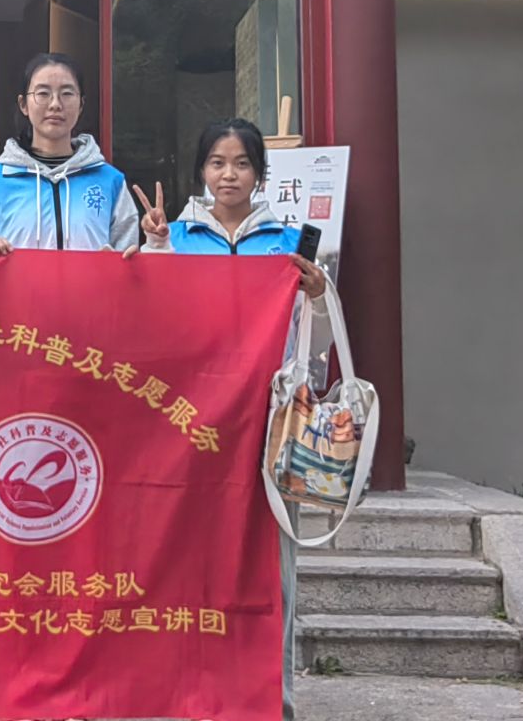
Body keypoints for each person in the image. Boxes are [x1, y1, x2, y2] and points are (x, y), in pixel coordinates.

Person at [125, 119, 326, 721]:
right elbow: (154, 325)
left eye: (241, 163)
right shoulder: (178, 238)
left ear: (260, 174)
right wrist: (154, 253)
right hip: (196, 424)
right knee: (189, 558)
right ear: (201, 171)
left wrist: (319, 296)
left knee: (275, 564)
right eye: (217, 162)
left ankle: (274, 697)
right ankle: (191, 690)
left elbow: (313, 345)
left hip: (271, 424)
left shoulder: (290, 244)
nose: (229, 175)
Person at [0, 53, 136, 255]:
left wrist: (148, 247)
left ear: (81, 104)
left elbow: (128, 260)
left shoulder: (110, 181)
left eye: (67, 93)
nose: (55, 104)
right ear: (23, 105)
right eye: (43, 93)